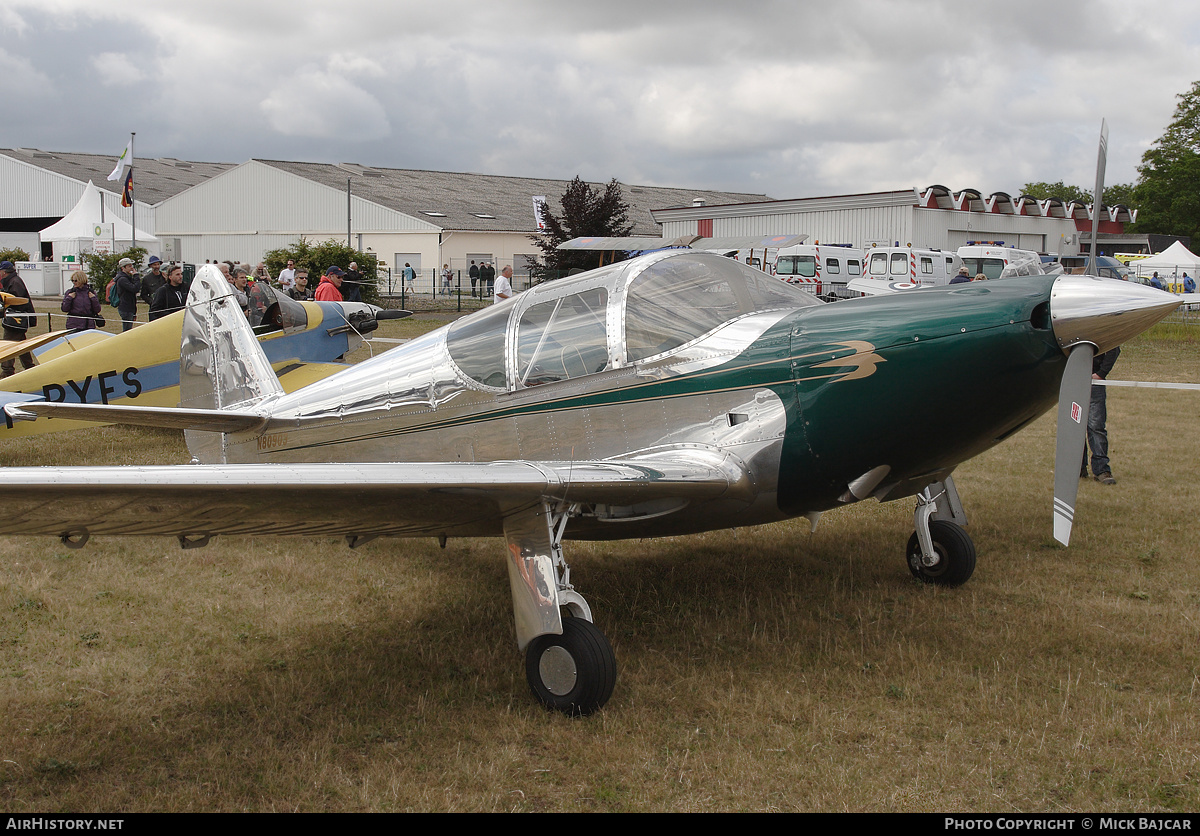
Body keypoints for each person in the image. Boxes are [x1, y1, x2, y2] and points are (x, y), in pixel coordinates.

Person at [1082, 346, 1121, 485]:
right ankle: (1077, 469)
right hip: (1071, 380)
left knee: (1096, 427)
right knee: (1073, 425)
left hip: (1094, 383)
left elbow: (1114, 349)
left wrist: (1100, 374)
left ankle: (1101, 470)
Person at [1, 260, 37, 377]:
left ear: (4, 272)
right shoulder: (12, 281)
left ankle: (7, 372)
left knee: (8, 344)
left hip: (16, 320)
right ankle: (30, 368)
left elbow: (19, 301)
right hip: (16, 320)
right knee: (21, 345)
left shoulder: (14, 282)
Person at [114, 256, 141, 332]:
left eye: (131, 266)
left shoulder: (127, 278)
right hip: (125, 307)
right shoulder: (122, 279)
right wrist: (136, 276)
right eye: (129, 266)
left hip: (129, 306)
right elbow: (135, 288)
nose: (131, 268)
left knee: (128, 328)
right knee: (127, 330)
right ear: (123, 268)